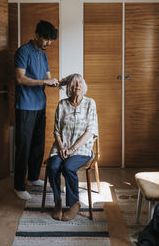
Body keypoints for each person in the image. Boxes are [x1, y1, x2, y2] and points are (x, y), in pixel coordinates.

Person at [14, 20, 59, 200]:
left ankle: (33, 178)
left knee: (37, 145)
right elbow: (19, 78)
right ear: (37, 35)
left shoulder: (43, 55)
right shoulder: (23, 52)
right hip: (25, 106)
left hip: (40, 105)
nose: (49, 43)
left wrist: (57, 81)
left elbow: (47, 77)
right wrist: (44, 82)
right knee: (23, 147)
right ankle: (18, 186)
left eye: (51, 40)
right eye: (46, 39)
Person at [47, 73, 98, 221]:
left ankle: (74, 203)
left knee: (68, 167)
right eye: (75, 83)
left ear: (84, 86)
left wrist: (72, 149)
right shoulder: (62, 104)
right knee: (53, 166)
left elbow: (90, 131)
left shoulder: (90, 103)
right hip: (61, 147)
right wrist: (62, 147)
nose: (78, 86)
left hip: (81, 149)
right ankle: (57, 202)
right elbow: (56, 130)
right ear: (69, 87)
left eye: (80, 83)